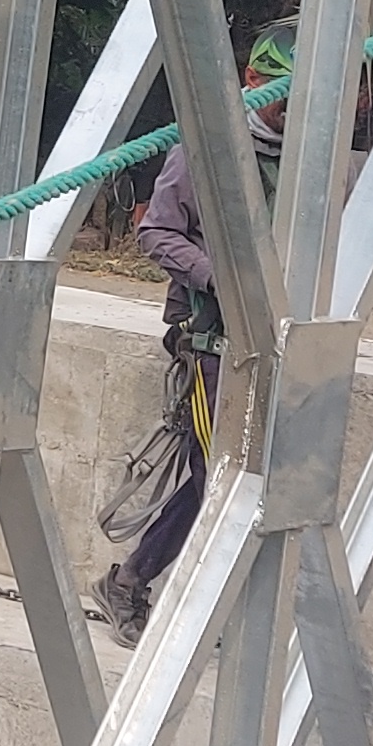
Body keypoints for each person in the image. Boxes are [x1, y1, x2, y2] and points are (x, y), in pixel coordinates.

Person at [93, 32, 290, 638]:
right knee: (220, 480)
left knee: (231, 479)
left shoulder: (305, 160)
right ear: (253, 83)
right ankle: (148, 591)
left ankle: (136, 583)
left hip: (268, 345)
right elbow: (156, 231)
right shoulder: (204, 151)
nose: (293, 111)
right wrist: (219, 280)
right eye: (284, 96)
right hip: (209, 345)